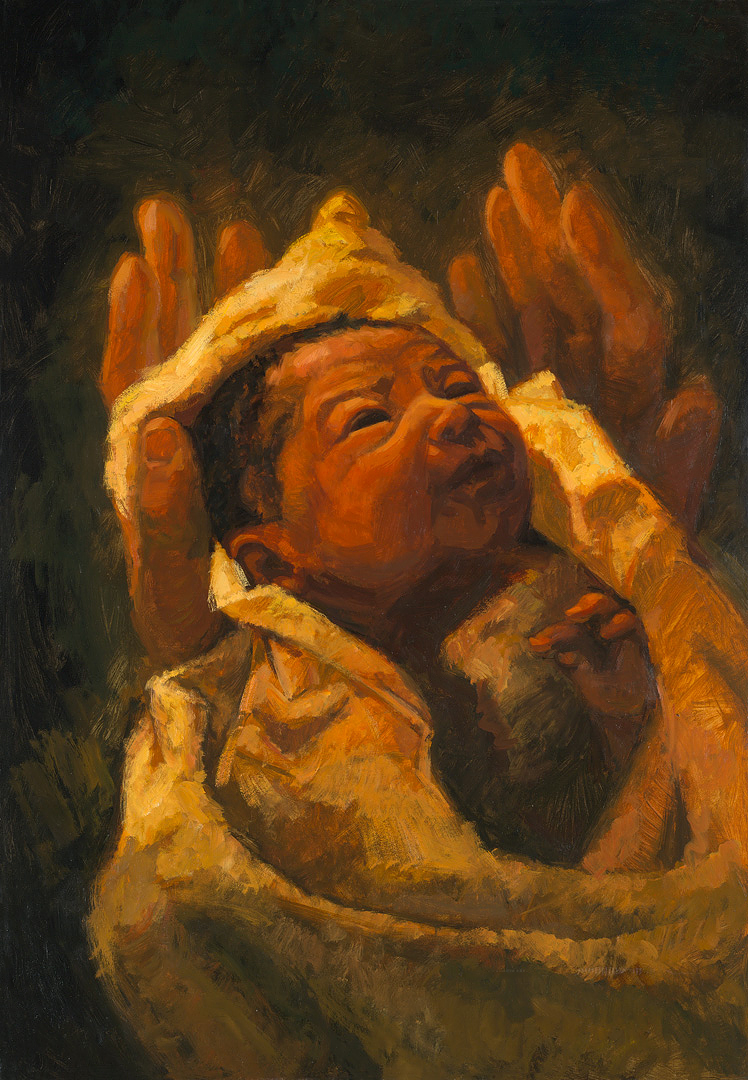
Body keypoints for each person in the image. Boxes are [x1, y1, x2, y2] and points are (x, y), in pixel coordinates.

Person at [90, 143, 747, 1079]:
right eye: (368, 418)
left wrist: (638, 730)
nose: (452, 416)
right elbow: (477, 968)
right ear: (274, 560)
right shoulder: (290, 726)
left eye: (460, 387)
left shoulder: (550, 640)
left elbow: (602, 924)